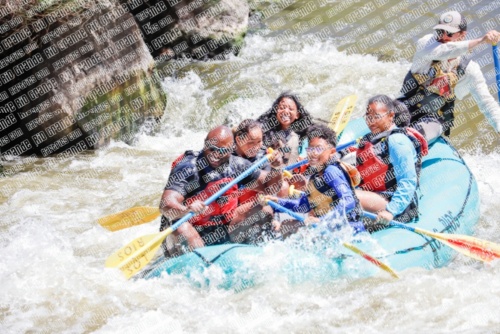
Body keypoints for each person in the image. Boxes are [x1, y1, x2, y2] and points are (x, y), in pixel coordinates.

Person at [159, 125, 284, 256]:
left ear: (231, 149)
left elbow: (271, 187)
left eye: (221, 150)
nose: (215, 154)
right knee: (181, 227)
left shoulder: (238, 165)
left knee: (264, 210)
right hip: (192, 229)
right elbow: (165, 204)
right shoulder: (188, 168)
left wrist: (276, 168)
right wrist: (186, 210)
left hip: (224, 228)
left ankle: (259, 253)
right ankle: (198, 260)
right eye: (211, 148)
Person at [397, 10, 500, 142]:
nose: (443, 36)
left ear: (462, 35)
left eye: (449, 33)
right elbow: (446, 51)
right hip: (406, 104)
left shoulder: (471, 71)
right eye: (440, 31)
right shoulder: (426, 43)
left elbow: (487, 103)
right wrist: (481, 40)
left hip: (433, 119)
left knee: (413, 138)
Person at [265, 123, 365, 237]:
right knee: (287, 225)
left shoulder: (331, 171)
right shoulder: (315, 176)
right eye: (310, 149)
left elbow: (349, 201)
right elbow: (303, 205)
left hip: (351, 230)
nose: (312, 153)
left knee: (292, 228)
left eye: (318, 149)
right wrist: (278, 202)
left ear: (332, 152)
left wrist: (323, 221)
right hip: (332, 229)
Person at [355, 95, 428, 226]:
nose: (371, 122)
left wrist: (391, 211)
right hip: (375, 195)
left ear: (391, 115)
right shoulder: (373, 138)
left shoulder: (397, 141)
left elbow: (408, 180)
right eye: (369, 117)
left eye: (376, 117)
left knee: (348, 196)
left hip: (397, 204)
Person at [256, 92, 313, 165]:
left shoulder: (301, 135)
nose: (286, 111)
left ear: (297, 115)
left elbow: (309, 149)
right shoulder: (264, 130)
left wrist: (303, 157)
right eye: (282, 108)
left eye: (291, 109)